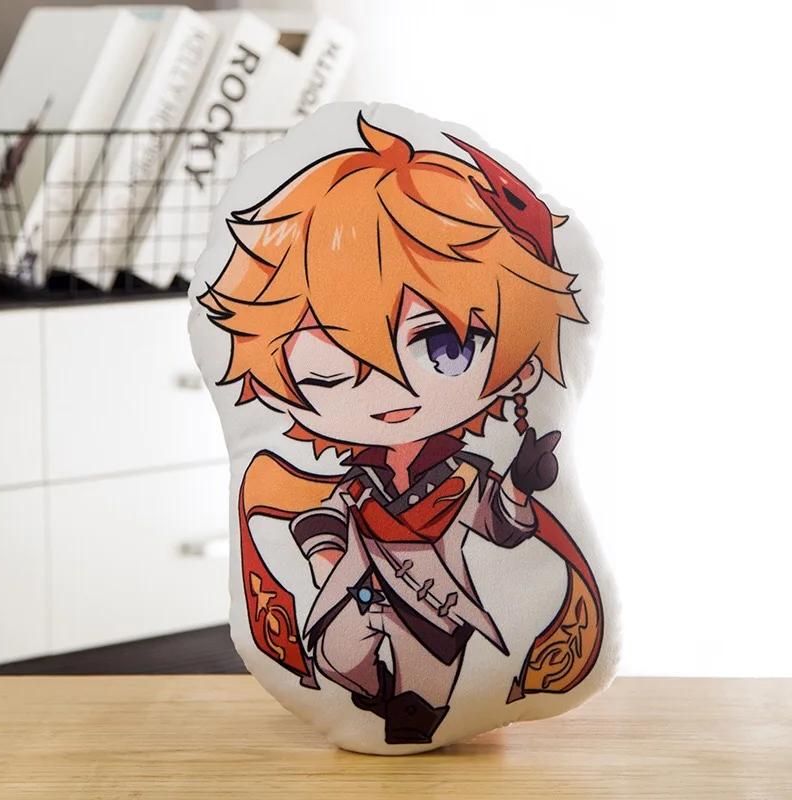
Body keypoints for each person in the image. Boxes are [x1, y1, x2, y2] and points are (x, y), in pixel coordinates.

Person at [200, 114, 603, 745]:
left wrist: (522, 485)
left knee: (420, 702)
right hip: (356, 593)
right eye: (330, 372)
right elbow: (323, 516)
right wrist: (328, 561)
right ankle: (373, 693)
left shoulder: (463, 476)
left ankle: (404, 708)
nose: (391, 393)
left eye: (445, 348)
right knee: (344, 659)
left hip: (439, 609)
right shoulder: (359, 480)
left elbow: (500, 528)